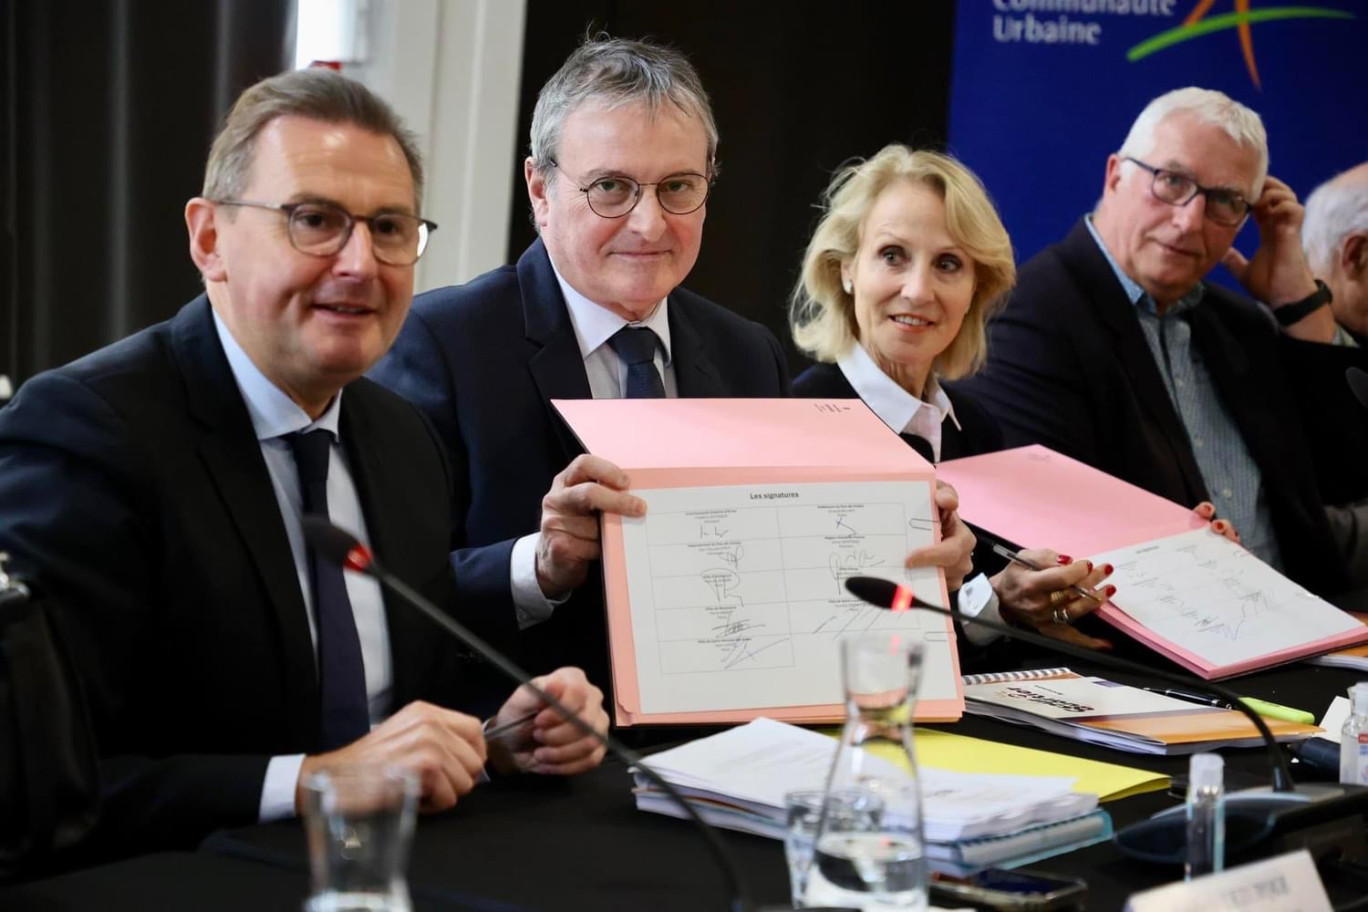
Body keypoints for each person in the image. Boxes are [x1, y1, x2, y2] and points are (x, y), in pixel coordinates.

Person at [0, 69, 607, 858]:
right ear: (209, 240)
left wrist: (493, 739)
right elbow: (38, 789)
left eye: (390, 227)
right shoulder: (83, 434)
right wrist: (311, 781)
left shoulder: (400, 435)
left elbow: (391, 702)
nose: (360, 264)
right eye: (314, 219)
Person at [370, 36, 978, 694]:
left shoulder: (746, 355)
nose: (649, 224)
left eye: (678, 188)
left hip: (727, 748)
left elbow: (782, 588)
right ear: (540, 189)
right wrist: (537, 567)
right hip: (528, 756)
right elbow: (383, 595)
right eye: (611, 188)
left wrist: (906, 565)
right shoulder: (440, 342)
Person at [953, 87, 1351, 597]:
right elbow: (1054, 539)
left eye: (1226, 201)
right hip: (1156, 651)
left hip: (1312, 628)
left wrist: (1297, 303)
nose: (1189, 221)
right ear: (1115, 174)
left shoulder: (1241, 326)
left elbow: (1346, 474)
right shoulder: (1029, 316)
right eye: (1171, 181)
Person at [789, 145, 1117, 652]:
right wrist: (990, 604)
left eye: (947, 264)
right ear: (847, 268)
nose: (919, 291)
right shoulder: (797, 424)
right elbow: (830, 635)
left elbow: (970, 618)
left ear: (974, 291)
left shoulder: (976, 428)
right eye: (892, 255)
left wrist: (1017, 600)